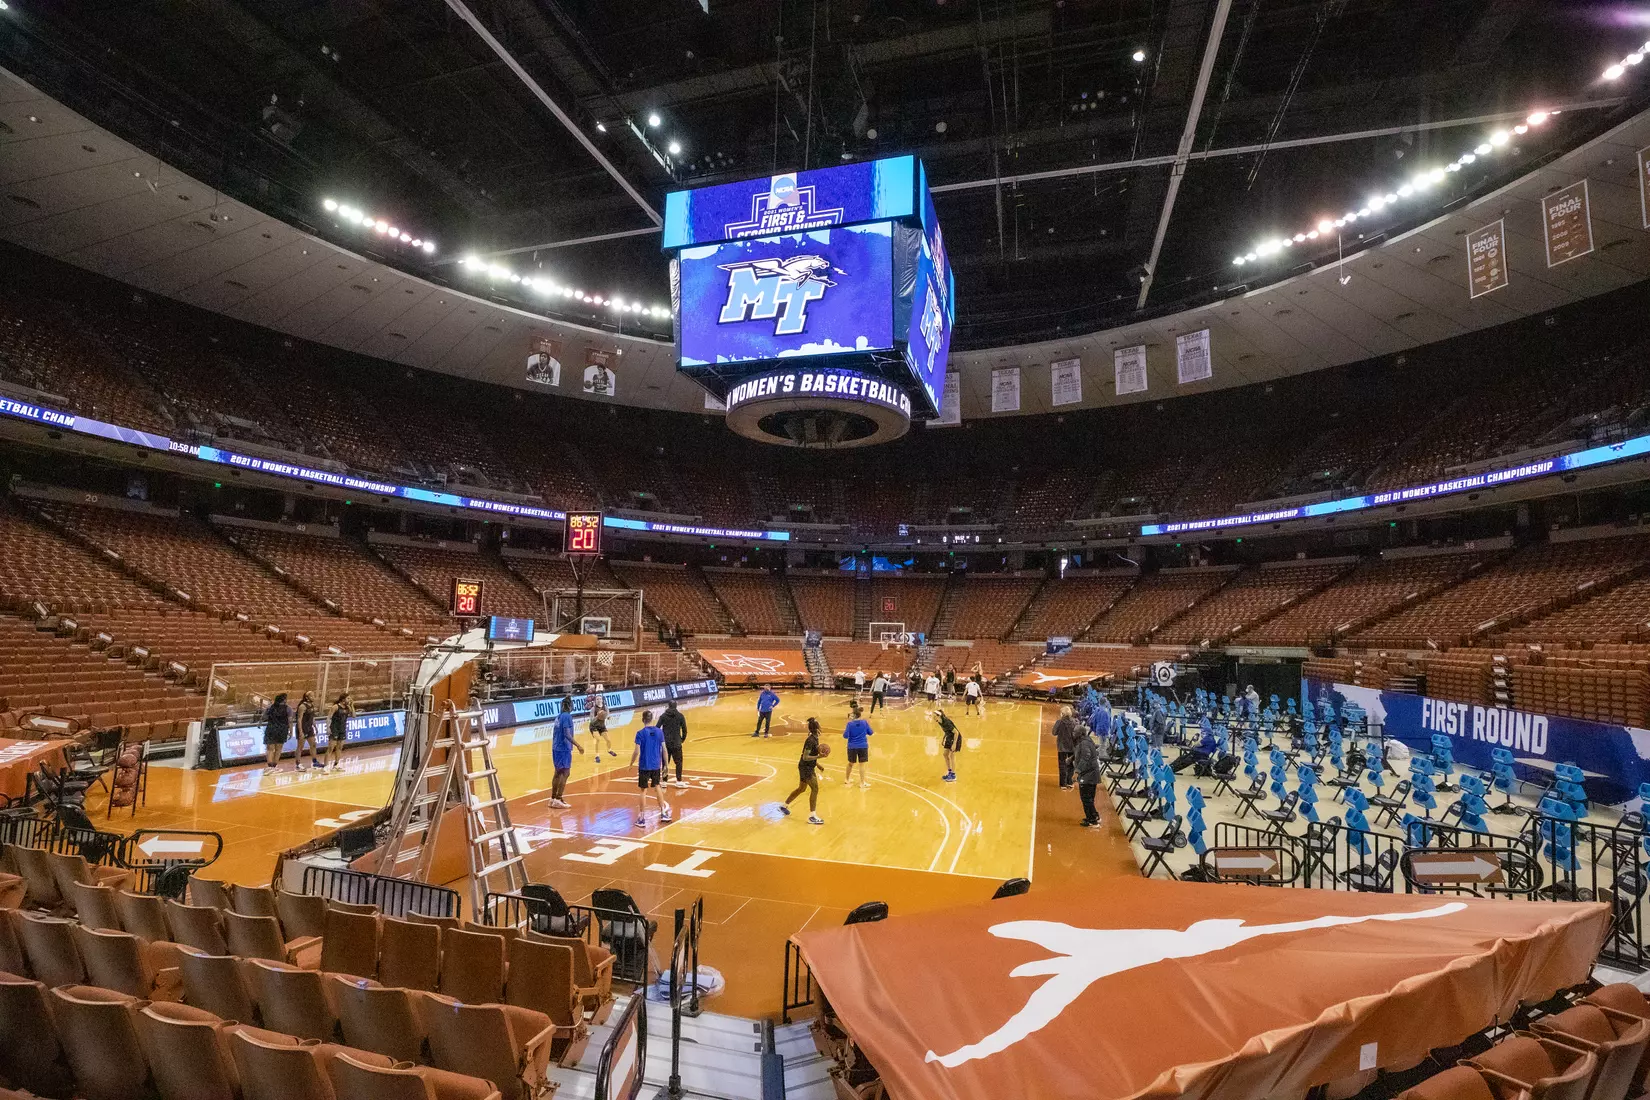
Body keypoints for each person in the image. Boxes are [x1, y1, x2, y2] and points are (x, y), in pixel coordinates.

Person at [780, 716, 827, 825]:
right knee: (815, 788)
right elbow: (805, 757)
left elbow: (810, 755)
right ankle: (812, 816)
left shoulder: (815, 738)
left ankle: (784, 806)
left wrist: (818, 765)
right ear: (817, 727)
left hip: (807, 766)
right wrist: (820, 757)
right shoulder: (810, 740)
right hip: (805, 767)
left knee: (801, 789)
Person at [630, 710, 671, 826]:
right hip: (656, 765)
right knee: (657, 786)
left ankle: (642, 818)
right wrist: (666, 765)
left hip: (644, 765)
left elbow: (636, 751)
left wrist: (631, 763)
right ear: (652, 719)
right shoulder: (659, 732)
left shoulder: (640, 733)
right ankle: (663, 813)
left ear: (643, 720)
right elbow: (664, 749)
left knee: (643, 790)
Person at [548, 696, 584, 809]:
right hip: (563, 748)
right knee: (565, 773)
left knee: (557, 772)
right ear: (569, 706)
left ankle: (552, 799)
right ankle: (558, 798)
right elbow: (567, 734)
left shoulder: (558, 717)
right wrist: (578, 745)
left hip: (555, 747)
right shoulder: (567, 716)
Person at [1073, 724, 1103, 827]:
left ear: (1080, 734)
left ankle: (1092, 821)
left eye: (1074, 732)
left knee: (1086, 798)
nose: (1073, 734)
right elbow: (1081, 754)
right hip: (1091, 775)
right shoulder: (1086, 741)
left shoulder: (1084, 743)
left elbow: (1085, 756)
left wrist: (1077, 771)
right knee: (1089, 798)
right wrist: (1071, 759)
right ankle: (1095, 816)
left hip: (1088, 775)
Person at [842, 704, 874, 788]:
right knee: (862, 765)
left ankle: (847, 779)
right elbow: (871, 732)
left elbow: (845, 736)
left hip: (852, 746)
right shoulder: (864, 722)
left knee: (850, 763)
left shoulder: (849, 724)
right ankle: (862, 783)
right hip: (862, 746)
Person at [660, 699, 689, 786]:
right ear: (676, 706)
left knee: (665, 762)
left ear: (668, 706)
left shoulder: (663, 716)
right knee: (679, 762)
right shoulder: (680, 716)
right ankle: (679, 781)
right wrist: (681, 740)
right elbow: (684, 730)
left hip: (666, 743)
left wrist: (660, 739)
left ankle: (664, 781)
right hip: (677, 743)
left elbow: (657, 728)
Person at [325, 691, 353, 772]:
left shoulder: (348, 708)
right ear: (343, 699)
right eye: (348, 698)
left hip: (342, 729)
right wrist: (328, 728)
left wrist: (352, 706)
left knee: (340, 747)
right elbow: (329, 717)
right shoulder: (335, 707)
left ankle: (336, 764)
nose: (350, 699)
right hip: (334, 729)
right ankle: (325, 766)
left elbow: (354, 715)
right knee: (331, 748)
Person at [262, 693, 292, 771]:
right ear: (284, 700)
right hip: (282, 730)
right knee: (278, 749)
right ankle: (275, 766)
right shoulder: (288, 708)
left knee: (270, 749)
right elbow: (290, 721)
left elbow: (264, 717)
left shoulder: (270, 707)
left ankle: (269, 767)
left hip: (271, 729)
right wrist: (291, 731)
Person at [1052, 706, 1079, 791]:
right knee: (1071, 765)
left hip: (1062, 747)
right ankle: (1069, 782)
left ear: (1062, 714)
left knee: (1062, 765)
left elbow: (1054, 732)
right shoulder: (1075, 722)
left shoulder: (1059, 722)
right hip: (1072, 747)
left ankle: (1063, 784)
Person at [293, 691, 321, 771]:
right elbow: (299, 719)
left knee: (313, 744)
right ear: (307, 697)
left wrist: (315, 726)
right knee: (300, 747)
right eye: (312, 696)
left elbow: (312, 717)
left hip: (309, 728)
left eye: (313, 695)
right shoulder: (302, 706)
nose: (313, 697)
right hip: (303, 728)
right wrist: (300, 731)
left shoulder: (311, 705)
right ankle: (298, 764)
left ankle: (314, 762)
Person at [934, 706, 962, 782]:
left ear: (939, 716)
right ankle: (949, 772)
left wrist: (954, 744)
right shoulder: (939, 722)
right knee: (945, 754)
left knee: (952, 755)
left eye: (934, 715)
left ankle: (953, 775)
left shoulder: (946, 722)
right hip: (949, 737)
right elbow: (947, 731)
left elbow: (956, 732)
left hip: (956, 737)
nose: (933, 716)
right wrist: (944, 739)